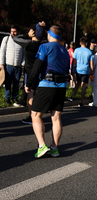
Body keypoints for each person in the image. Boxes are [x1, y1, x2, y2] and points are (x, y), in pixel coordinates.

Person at [25, 25, 70, 158]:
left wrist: (30, 84)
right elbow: (67, 69)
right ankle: (54, 148)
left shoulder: (45, 47)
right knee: (56, 118)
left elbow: (37, 67)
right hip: (61, 87)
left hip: (47, 85)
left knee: (35, 115)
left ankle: (41, 146)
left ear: (50, 34)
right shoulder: (65, 51)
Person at [12, 22, 45, 124]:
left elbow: (15, 38)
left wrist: (27, 35)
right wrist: (43, 28)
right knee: (37, 95)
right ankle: (38, 115)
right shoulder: (43, 45)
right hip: (40, 73)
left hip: (29, 72)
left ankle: (32, 117)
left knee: (30, 96)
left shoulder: (29, 44)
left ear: (32, 33)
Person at [0, 24, 25, 105]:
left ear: (18, 32)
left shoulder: (22, 40)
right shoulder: (6, 39)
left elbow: (24, 53)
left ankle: (15, 98)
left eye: (15, 31)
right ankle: (7, 98)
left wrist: (22, 63)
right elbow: (2, 52)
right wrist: (1, 64)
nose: (13, 33)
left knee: (16, 83)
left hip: (18, 66)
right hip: (8, 65)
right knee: (7, 83)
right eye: (12, 31)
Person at [68, 37, 93, 107]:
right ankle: (81, 101)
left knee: (78, 83)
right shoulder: (89, 52)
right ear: (86, 43)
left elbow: (73, 60)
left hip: (78, 69)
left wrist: (73, 68)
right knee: (84, 86)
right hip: (85, 70)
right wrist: (92, 71)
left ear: (80, 43)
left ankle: (72, 96)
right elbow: (91, 63)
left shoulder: (76, 50)